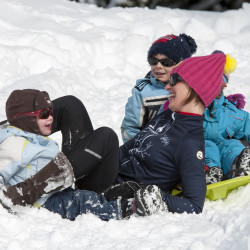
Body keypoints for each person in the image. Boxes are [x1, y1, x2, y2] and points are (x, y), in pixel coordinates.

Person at [0, 52, 236, 220]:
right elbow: (131, 148)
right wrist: (91, 158)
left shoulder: (190, 143)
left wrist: (155, 196)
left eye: (175, 81)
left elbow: (194, 205)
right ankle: (9, 134)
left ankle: (27, 192)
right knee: (70, 105)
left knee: (106, 136)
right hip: (95, 170)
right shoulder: (169, 116)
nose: (167, 86)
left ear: (195, 88)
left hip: (106, 188)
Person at [0, 89, 166, 220]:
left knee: (71, 103)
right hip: (44, 201)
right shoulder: (14, 145)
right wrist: (12, 197)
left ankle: (109, 196)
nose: (51, 117)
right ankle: (126, 208)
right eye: (44, 114)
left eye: (51, 111)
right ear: (26, 120)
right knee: (81, 202)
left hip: (54, 190)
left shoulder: (28, 139)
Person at [121, 33, 197, 143]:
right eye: (153, 61)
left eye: (166, 62)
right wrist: (138, 149)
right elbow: (130, 127)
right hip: (151, 147)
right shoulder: (143, 91)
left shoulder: (192, 88)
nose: (158, 66)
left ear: (181, 64)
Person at [203, 71, 250, 181]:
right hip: (198, 148)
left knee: (232, 145)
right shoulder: (190, 106)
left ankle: (239, 164)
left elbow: (246, 124)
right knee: (209, 148)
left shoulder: (229, 111)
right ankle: (208, 173)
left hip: (221, 147)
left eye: (221, 86)